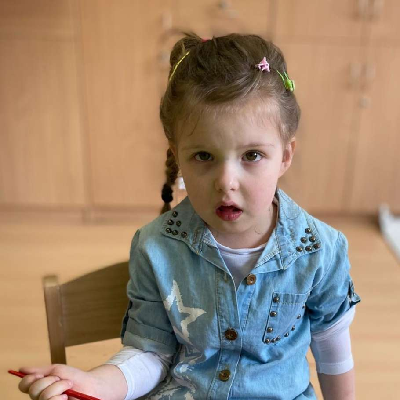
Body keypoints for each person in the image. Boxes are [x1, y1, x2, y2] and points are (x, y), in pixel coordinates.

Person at [17, 32, 360, 400]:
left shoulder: (322, 252)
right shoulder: (154, 246)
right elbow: (151, 353)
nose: (226, 182)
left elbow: (333, 356)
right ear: (177, 155)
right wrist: (96, 385)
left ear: (285, 156)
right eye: (204, 156)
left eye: (252, 155)